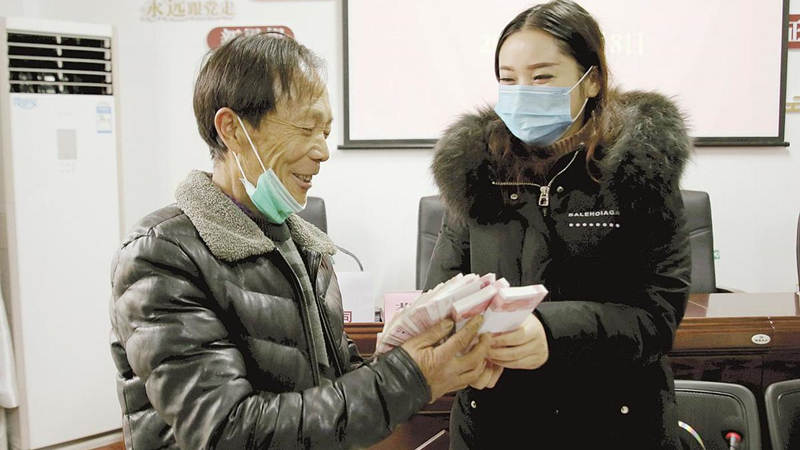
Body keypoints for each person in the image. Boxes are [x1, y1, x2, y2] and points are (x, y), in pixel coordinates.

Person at [109, 33, 491, 449]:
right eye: (307, 128)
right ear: (232, 129)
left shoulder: (307, 248)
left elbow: (331, 396)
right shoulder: (160, 255)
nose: (323, 152)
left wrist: (391, 354)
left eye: (325, 132)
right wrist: (406, 375)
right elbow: (227, 431)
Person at [425, 1, 691, 448]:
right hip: (495, 425)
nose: (522, 93)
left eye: (542, 77)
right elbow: (443, 293)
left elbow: (657, 316)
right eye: (508, 79)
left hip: (614, 423)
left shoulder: (640, 172)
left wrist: (551, 332)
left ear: (593, 80)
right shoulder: (476, 172)